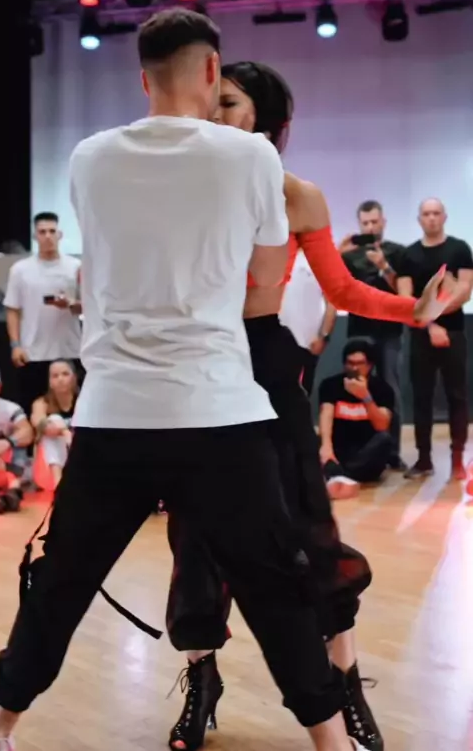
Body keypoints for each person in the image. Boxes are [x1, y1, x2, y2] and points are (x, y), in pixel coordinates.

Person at [0, 9, 370, 751]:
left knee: (61, 583)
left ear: (143, 80)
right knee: (276, 588)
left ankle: (0, 725)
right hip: (218, 414)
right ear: (210, 71)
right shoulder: (251, 158)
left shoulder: (89, 157)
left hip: (115, 414)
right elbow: (262, 287)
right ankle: (332, 742)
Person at [165, 61, 456, 751]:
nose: (212, 113)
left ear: (263, 117)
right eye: (209, 102)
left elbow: (344, 290)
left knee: (309, 535)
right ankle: (202, 680)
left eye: (227, 103)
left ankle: (345, 686)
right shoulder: (182, 185)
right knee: (195, 539)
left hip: (265, 368)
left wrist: (413, 311)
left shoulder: (297, 195)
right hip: (194, 367)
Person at [324, 201, 406, 470]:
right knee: (355, 386)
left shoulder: (398, 252)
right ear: (359, 225)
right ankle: (356, 448)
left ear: (383, 222)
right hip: (359, 331)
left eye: (374, 222)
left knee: (390, 387)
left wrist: (384, 266)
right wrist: (337, 254)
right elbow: (331, 285)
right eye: (365, 223)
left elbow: (403, 292)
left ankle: (392, 452)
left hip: (390, 331)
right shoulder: (350, 257)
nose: (370, 227)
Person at [397, 198, 473, 479]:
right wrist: (430, 325)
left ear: (444, 217)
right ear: (419, 219)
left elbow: (464, 291)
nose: (431, 218)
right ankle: (424, 460)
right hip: (421, 334)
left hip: (454, 333)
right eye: (426, 213)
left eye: (436, 213)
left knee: (457, 396)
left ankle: (457, 460)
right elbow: (405, 298)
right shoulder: (408, 255)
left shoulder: (459, 249)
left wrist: (435, 316)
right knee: (422, 397)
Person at [4, 212, 82, 418]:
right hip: (33, 351)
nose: (48, 236)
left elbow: (87, 307)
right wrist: (15, 345)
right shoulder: (20, 270)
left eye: (52, 231)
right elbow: (12, 308)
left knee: (75, 410)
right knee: (34, 409)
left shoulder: (75, 267)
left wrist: (70, 305)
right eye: (42, 232)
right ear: (35, 236)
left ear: (60, 234)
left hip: (69, 349)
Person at [318, 340, 394, 499]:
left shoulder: (382, 389)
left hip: (365, 455)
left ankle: (340, 476)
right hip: (337, 453)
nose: (354, 368)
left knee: (385, 439)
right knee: (311, 438)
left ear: (370, 365)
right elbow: (326, 414)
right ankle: (340, 476)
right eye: (350, 363)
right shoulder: (330, 385)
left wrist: (365, 397)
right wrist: (326, 447)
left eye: (360, 363)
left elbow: (382, 425)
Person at [279, 250, 335, 398]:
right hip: (275, 339)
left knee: (300, 394)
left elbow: (332, 302)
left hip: (307, 342)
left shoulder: (319, 259)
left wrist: (323, 335)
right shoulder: (274, 255)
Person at [31, 360, 79, 489]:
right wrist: (64, 432)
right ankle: (58, 483)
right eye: (55, 376)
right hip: (49, 466)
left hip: (78, 457)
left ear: (74, 378)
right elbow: (40, 423)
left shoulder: (83, 401)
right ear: (50, 382)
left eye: (65, 374)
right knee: (53, 419)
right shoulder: (41, 403)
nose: (60, 379)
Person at [0, 365, 33, 515]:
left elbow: (27, 432)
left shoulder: (10, 409)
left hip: (5, 463)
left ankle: (11, 493)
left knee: (19, 447)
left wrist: (8, 442)